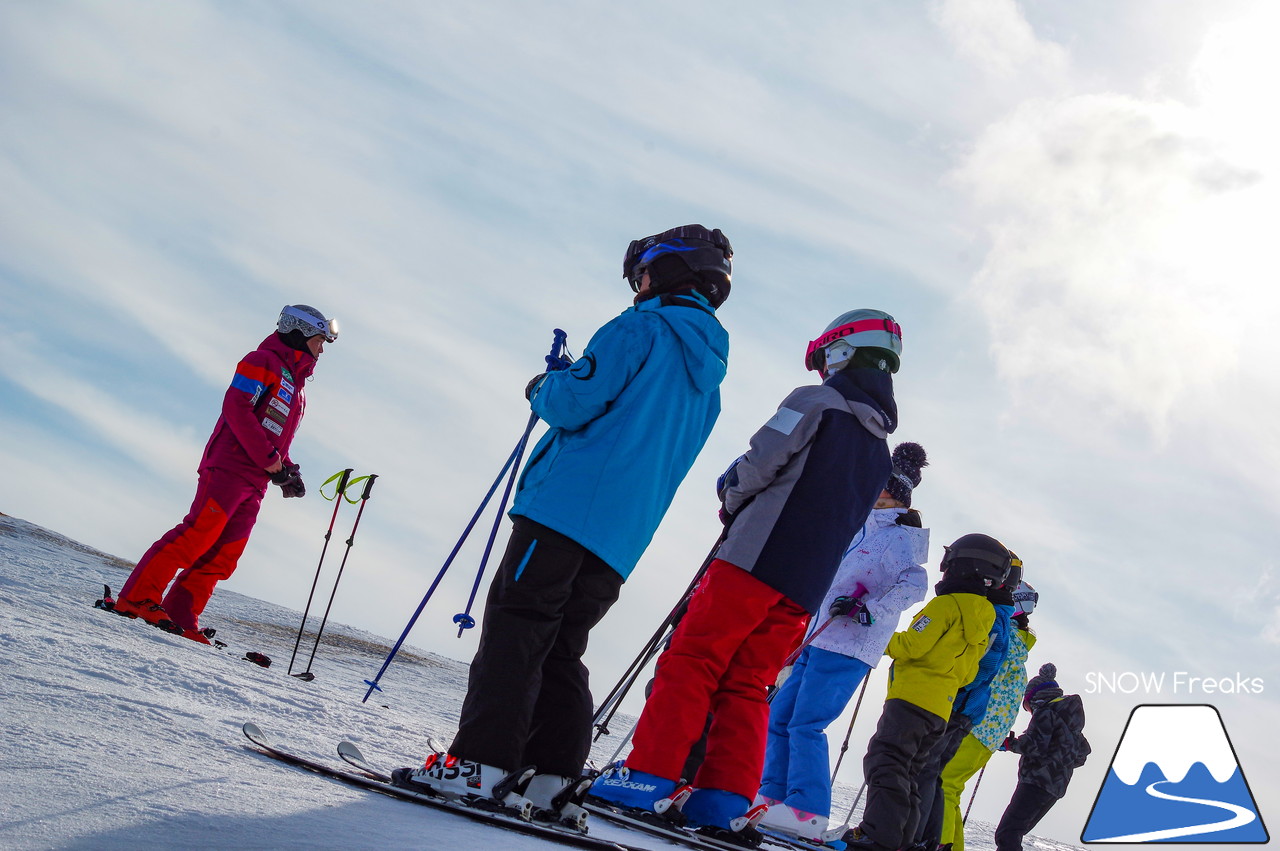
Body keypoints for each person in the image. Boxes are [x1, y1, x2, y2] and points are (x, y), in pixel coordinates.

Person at [392, 225, 733, 830]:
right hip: (621, 536)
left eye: (644, 274)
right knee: (562, 645)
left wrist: (545, 386)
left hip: (563, 511)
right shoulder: (707, 382)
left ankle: (480, 766)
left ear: (670, 272)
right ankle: (553, 782)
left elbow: (576, 402)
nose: (638, 287)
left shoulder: (641, 328)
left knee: (516, 629)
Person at [590, 309, 903, 842]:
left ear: (843, 351)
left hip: (753, 561)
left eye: (826, 355)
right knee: (748, 684)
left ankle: (647, 777)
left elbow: (759, 463)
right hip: (804, 586)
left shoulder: (813, 402)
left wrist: (731, 494)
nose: (823, 367)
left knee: (692, 659)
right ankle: (723, 799)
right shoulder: (879, 450)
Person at [112, 305, 337, 643]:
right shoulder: (261, 361)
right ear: (301, 333)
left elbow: (274, 433)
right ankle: (136, 599)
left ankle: (180, 615)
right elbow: (236, 406)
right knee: (197, 535)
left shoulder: (298, 387)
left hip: (256, 479)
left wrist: (286, 469)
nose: (322, 349)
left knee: (225, 553)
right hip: (230, 467)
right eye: (321, 340)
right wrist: (269, 459)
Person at [756, 442, 931, 843]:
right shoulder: (859, 525)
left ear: (893, 493)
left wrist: (867, 608)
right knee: (779, 716)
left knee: (806, 722)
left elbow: (913, 585)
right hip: (818, 637)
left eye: (878, 486)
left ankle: (807, 809)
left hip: (850, 645)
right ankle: (772, 797)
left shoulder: (902, 537)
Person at [843, 533, 1011, 851]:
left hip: (911, 699)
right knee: (912, 769)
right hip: (941, 708)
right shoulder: (986, 616)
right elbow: (971, 671)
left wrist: (865, 626)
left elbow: (911, 645)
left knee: (886, 761)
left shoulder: (945, 605)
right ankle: (905, 839)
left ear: (961, 567)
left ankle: (877, 836)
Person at [910, 554, 1022, 848]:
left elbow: (979, 664)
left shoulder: (990, 616)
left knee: (940, 780)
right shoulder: (1008, 628)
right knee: (944, 782)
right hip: (977, 718)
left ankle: (932, 841)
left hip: (964, 711)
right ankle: (941, 843)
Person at [936, 582, 1038, 851]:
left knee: (942, 784)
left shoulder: (1002, 640)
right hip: (988, 734)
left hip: (974, 725)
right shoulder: (1018, 650)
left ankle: (940, 845)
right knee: (950, 789)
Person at [994, 664, 1090, 851]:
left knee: (1007, 833)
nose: (1029, 712)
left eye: (1027, 706)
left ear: (1034, 698)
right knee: (1014, 832)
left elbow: (1034, 745)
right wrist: (1059, 761)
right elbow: (1082, 754)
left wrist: (1008, 744)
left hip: (1035, 782)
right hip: (1055, 789)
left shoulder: (1045, 713)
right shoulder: (1071, 724)